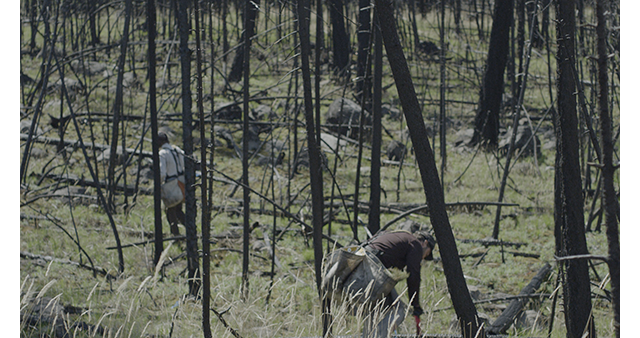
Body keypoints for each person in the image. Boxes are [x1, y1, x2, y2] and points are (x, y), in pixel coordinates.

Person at [361, 230, 437, 338]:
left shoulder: (399, 236)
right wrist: (415, 304)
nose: (423, 257)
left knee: (376, 310)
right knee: (398, 310)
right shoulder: (415, 244)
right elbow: (413, 276)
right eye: (427, 253)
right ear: (425, 242)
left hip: (364, 264)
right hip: (373, 268)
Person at [158, 131, 185, 236]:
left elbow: (162, 172)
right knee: (178, 210)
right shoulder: (177, 150)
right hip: (181, 183)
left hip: (171, 184)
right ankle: (192, 231)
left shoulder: (163, 153)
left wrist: (159, 185)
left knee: (170, 211)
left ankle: (176, 235)